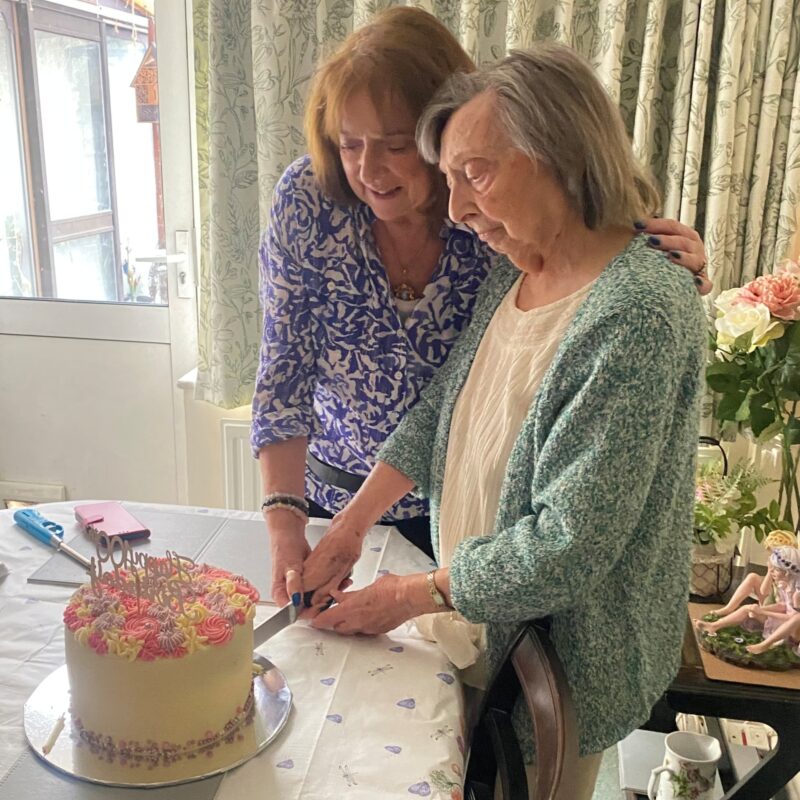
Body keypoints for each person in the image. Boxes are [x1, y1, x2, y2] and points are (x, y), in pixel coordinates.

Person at [302, 44, 706, 800]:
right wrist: (352, 525)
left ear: (562, 154)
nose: (456, 209)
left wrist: (408, 595)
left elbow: (567, 546)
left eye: (476, 174)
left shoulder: (639, 310)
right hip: (477, 627)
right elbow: (443, 411)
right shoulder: (517, 267)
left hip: (561, 663)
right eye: (450, 178)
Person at [250, 7, 709, 608]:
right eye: (349, 144)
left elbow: (598, 254)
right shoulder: (312, 205)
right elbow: (294, 377)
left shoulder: (501, 231)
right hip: (344, 504)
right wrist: (300, 525)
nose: (366, 170)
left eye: (395, 145)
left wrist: (663, 256)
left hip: (479, 534)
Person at [695, 546, 800, 655]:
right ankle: (714, 625)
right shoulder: (785, 585)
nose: (772, 571)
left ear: (787, 572)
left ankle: (765, 645)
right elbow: (783, 605)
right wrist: (761, 609)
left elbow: (793, 619)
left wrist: (764, 612)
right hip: (782, 620)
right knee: (747, 608)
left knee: (797, 617)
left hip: (793, 629)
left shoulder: (797, 593)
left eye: (776, 569)